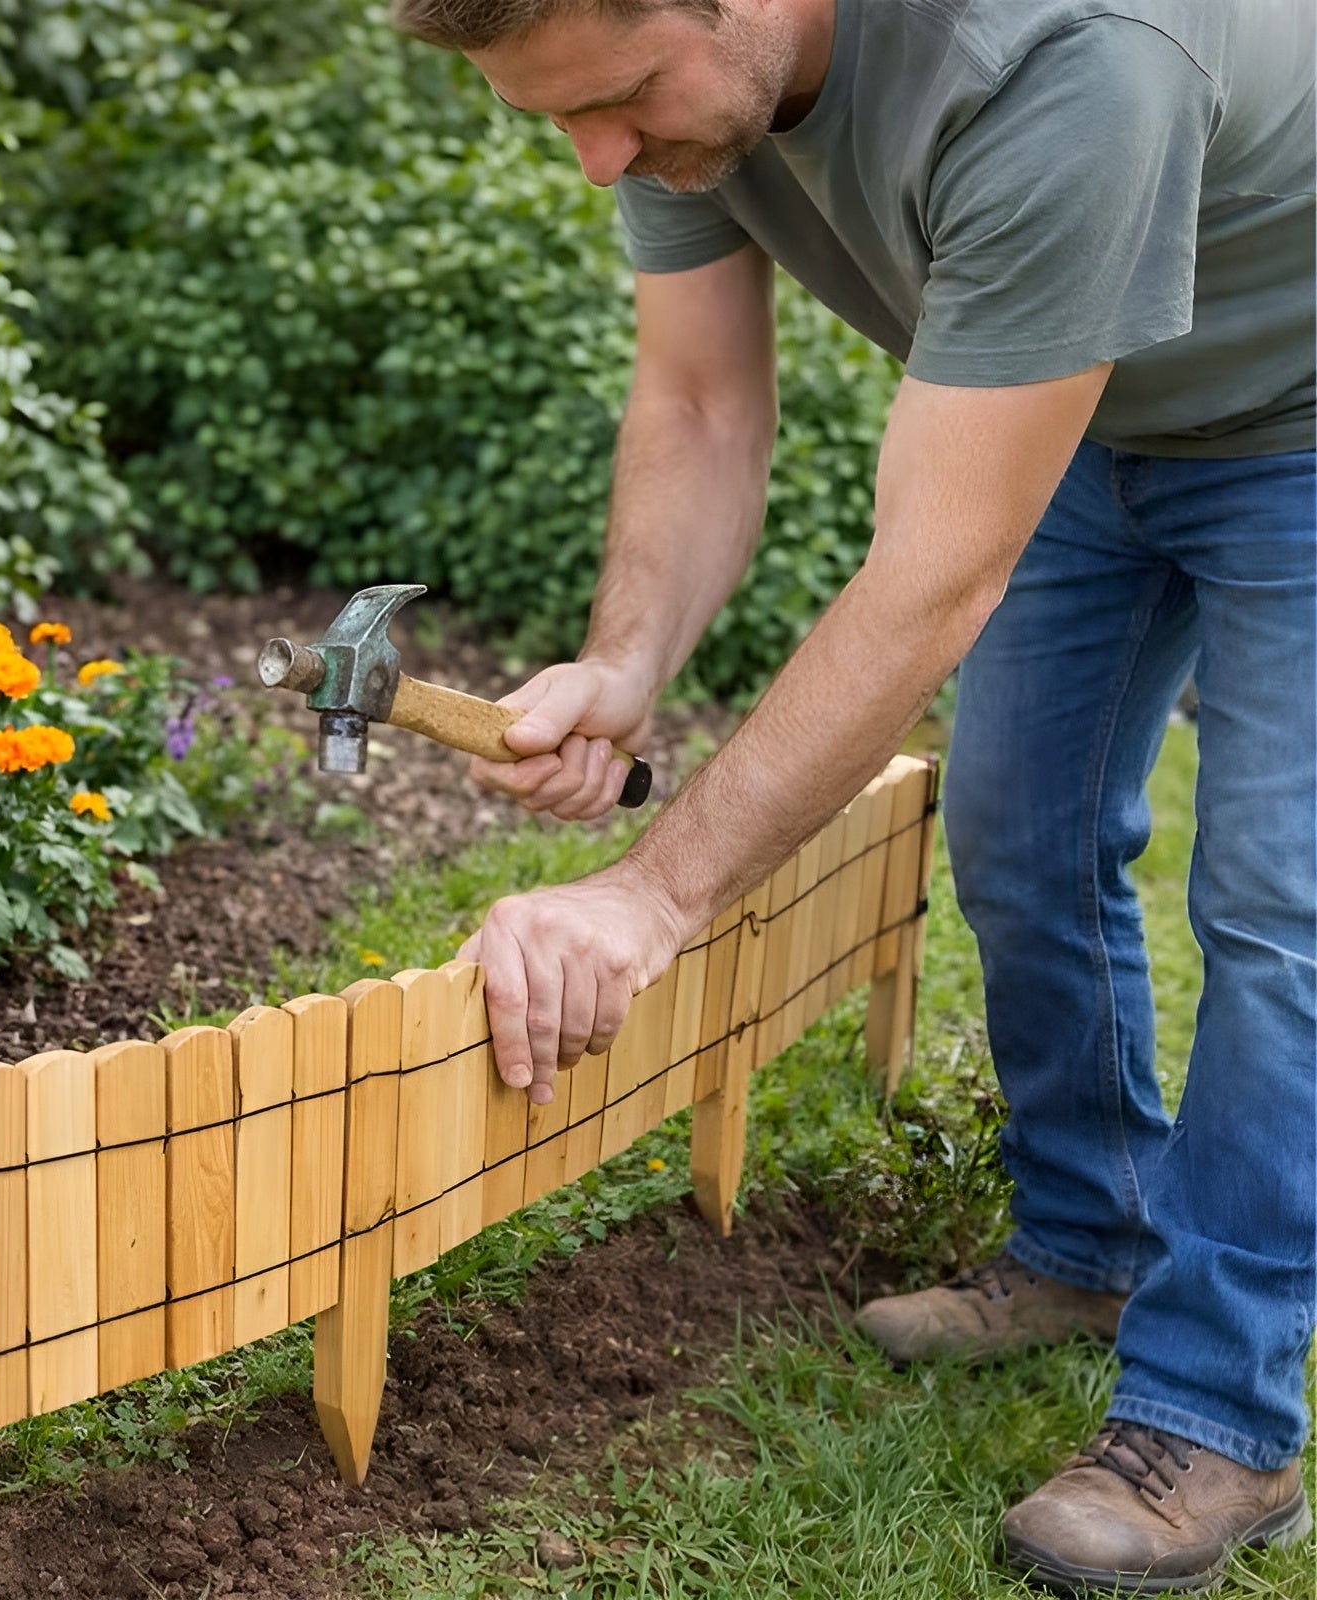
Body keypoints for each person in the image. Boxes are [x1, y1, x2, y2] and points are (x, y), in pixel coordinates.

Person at [389, 0, 1316, 1591]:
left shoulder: (1064, 56)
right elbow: (696, 403)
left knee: (1280, 899)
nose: (598, 154)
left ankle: (1215, 1411)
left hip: (1298, 415)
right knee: (1018, 830)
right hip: (1087, 405)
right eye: (559, 120)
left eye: (611, 102)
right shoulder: (673, 81)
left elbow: (933, 575)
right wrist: (627, 659)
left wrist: (647, 896)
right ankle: (1090, 1246)